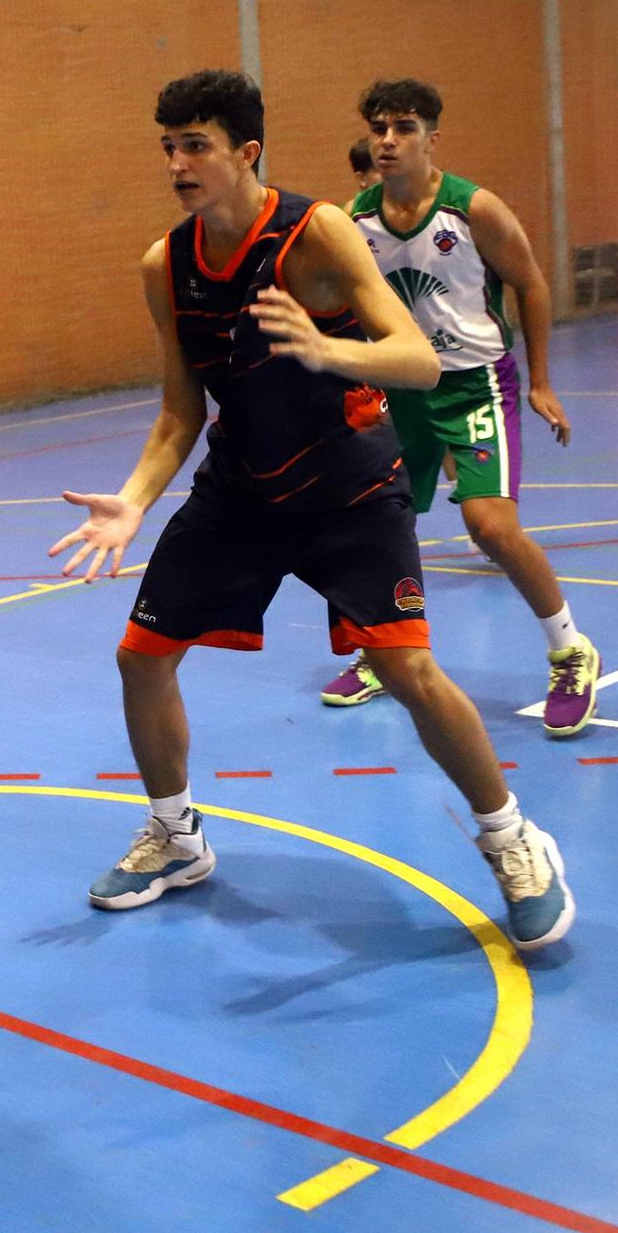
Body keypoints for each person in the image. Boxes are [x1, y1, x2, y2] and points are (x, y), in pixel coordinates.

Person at [50, 69, 573, 952]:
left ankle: (512, 837)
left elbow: (416, 359)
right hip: (242, 490)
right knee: (140, 657)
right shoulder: (165, 264)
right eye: (168, 147)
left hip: (349, 489)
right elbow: (182, 411)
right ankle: (176, 838)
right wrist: (133, 502)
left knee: (408, 672)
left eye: (196, 146)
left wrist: (327, 348)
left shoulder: (316, 229)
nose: (177, 163)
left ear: (245, 151)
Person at [321, 79, 600, 736]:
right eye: (379, 129)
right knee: (376, 528)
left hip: (475, 383)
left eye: (404, 128)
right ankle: (381, 651)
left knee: (491, 528)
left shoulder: (474, 210)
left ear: (431, 138)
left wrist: (541, 381)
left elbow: (530, 283)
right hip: (398, 394)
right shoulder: (349, 220)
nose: (388, 140)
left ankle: (570, 650)